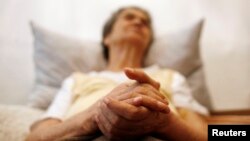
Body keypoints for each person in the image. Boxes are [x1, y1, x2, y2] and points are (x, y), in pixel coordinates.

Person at [26, 6, 209, 141]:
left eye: (145, 23)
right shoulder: (77, 80)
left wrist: (164, 123)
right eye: (129, 17)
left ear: (148, 42)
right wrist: (94, 116)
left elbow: (203, 135)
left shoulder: (171, 77)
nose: (138, 22)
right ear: (107, 38)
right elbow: (35, 138)